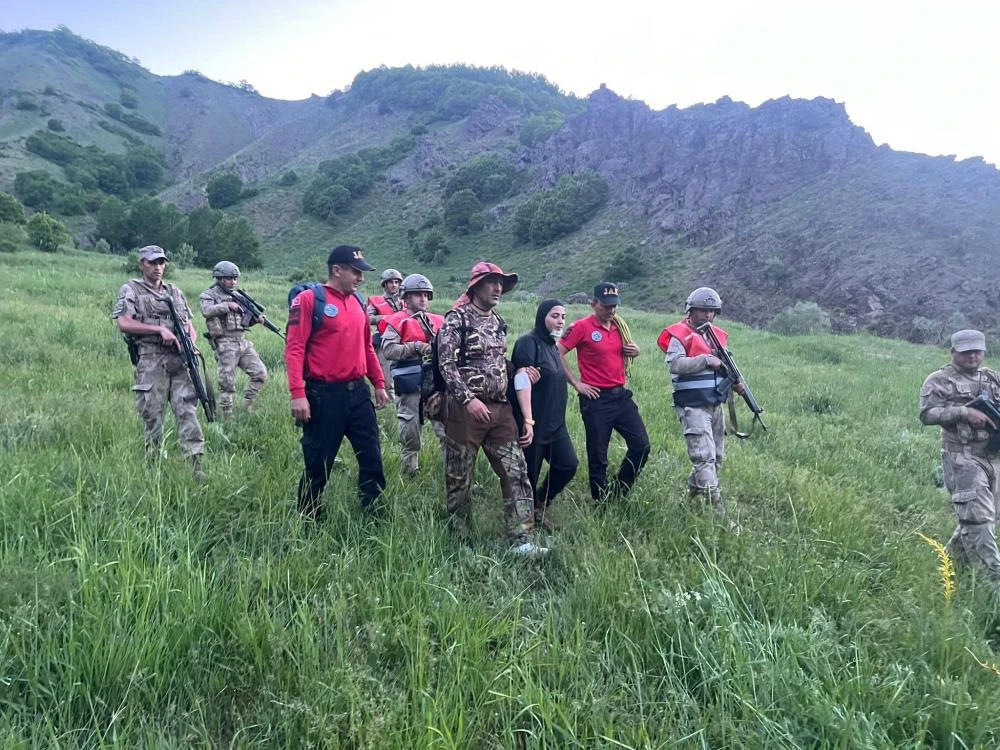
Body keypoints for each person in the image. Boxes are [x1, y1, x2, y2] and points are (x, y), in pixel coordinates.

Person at [438, 261, 546, 556]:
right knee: (460, 476)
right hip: (464, 411)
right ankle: (459, 541)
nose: (498, 288)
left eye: (501, 283)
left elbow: (496, 363)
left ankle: (521, 538)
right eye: (491, 282)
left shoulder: (498, 321)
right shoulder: (456, 318)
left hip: (500, 410)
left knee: (516, 472)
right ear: (476, 286)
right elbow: (446, 364)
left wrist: (518, 370)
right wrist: (467, 399)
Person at [285, 245, 389, 521]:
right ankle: (309, 519)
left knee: (371, 456)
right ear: (336, 270)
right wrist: (298, 393)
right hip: (323, 395)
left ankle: (373, 512)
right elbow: (294, 349)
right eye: (356, 272)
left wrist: (378, 383)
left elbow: (367, 347)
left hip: (358, 394)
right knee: (318, 463)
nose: (360, 278)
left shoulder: (357, 302)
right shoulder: (309, 300)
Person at [111, 245, 206, 480]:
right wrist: (158, 329)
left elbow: (189, 326)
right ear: (141, 263)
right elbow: (124, 322)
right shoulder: (131, 289)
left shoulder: (175, 291)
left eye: (161, 262)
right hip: (151, 358)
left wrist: (189, 343)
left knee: (187, 411)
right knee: (153, 413)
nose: (158, 267)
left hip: (180, 359)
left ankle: (196, 467)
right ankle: (153, 467)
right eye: (152, 263)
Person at [920, 329, 1000, 584]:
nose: (973, 356)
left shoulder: (993, 378)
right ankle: (992, 586)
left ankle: (948, 565)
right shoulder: (939, 380)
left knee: (984, 517)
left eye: (977, 351)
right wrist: (963, 413)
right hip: (963, 457)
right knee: (980, 521)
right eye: (966, 352)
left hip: (994, 456)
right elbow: (927, 414)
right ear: (953, 352)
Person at [559, 281, 650, 502]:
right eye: (606, 306)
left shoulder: (619, 326)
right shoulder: (581, 327)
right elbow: (557, 352)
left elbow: (627, 349)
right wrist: (576, 383)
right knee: (598, 455)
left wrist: (635, 351)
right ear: (593, 304)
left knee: (641, 445)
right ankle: (600, 500)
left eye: (614, 306)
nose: (611, 310)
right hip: (596, 398)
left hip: (620, 395)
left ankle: (618, 492)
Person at [657, 286, 741, 518]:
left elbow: (727, 367)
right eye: (703, 310)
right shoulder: (679, 333)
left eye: (712, 311)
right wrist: (705, 360)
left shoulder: (717, 335)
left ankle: (688, 503)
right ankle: (720, 514)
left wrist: (738, 384)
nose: (708, 315)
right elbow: (675, 364)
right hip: (693, 404)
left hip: (715, 404)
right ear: (691, 310)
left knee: (717, 458)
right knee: (704, 457)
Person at [512, 299, 579, 530]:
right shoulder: (527, 342)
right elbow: (521, 379)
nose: (560, 320)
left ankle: (541, 501)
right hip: (535, 425)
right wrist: (528, 421)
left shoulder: (551, 345)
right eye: (554, 316)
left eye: (563, 316)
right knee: (528, 477)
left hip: (556, 426)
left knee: (568, 465)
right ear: (542, 317)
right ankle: (524, 528)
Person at [381, 273, 446, 475]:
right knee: (410, 430)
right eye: (418, 294)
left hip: (435, 383)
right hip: (409, 383)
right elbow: (388, 350)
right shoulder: (397, 321)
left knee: (447, 430)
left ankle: (454, 474)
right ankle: (410, 473)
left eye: (426, 295)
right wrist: (416, 347)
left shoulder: (438, 321)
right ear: (406, 297)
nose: (423, 298)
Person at [199, 261, 269, 416]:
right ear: (219, 278)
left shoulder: (238, 296)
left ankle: (246, 407)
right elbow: (206, 311)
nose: (233, 282)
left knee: (260, 373)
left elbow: (244, 321)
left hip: (242, 342)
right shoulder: (209, 295)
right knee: (227, 383)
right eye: (229, 278)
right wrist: (227, 306)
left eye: (235, 278)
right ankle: (227, 416)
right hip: (225, 343)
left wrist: (256, 320)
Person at [367, 268, 404, 400]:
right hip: (384, 341)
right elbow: (367, 318)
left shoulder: (404, 301)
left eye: (396, 282)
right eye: (391, 282)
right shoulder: (376, 301)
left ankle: (402, 399)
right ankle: (389, 402)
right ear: (385, 284)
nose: (394, 285)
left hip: (403, 341)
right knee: (387, 374)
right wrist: (386, 318)